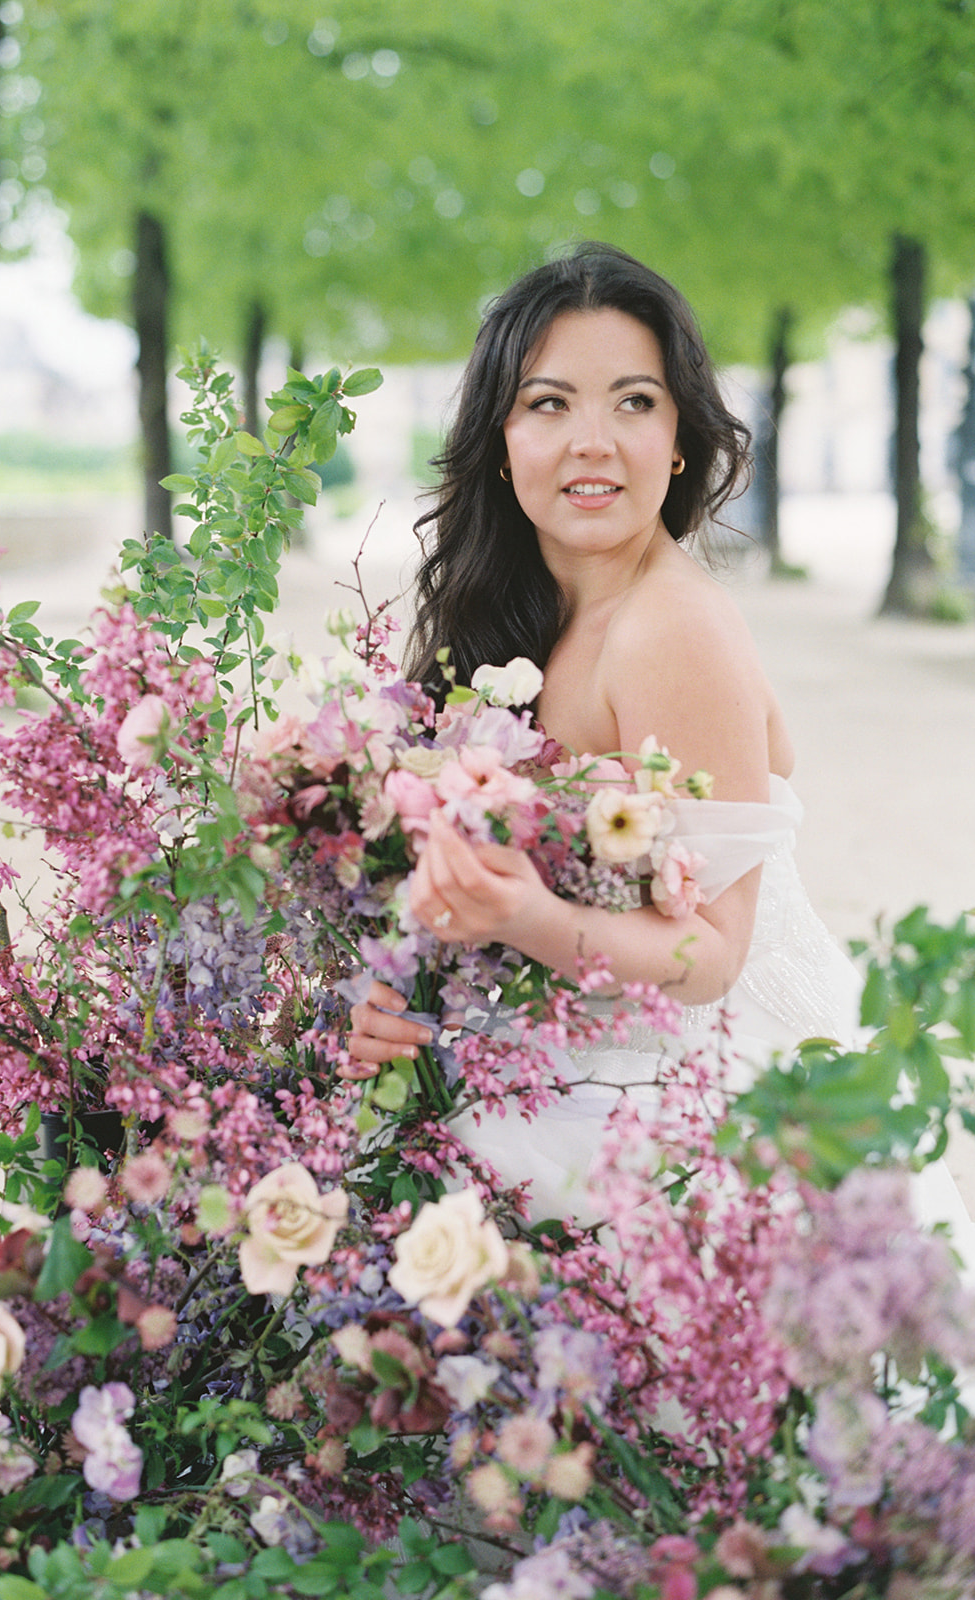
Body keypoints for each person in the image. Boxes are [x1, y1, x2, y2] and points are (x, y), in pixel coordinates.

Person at [342, 242, 865, 1222]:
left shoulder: (671, 627)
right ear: (500, 439)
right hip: (563, 1041)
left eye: (632, 401)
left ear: (677, 439)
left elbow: (708, 957)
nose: (591, 440)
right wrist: (394, 1003)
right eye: (548, 403)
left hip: (698, 1087)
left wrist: (516, 917)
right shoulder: (509, 616)